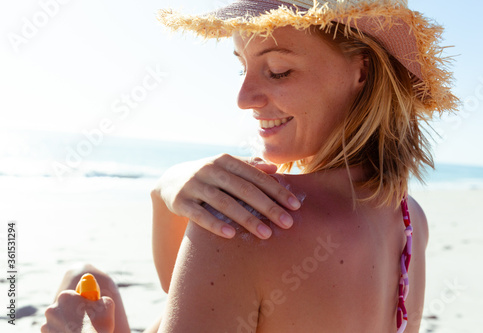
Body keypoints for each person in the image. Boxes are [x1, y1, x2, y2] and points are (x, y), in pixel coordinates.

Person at [42, 0, 458, 332]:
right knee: (87, 275)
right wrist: (163, 191)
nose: (243, 98)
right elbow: (200, 295)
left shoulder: (252, 217)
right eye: (242, 66)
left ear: (361, 72)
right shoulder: (408, 219)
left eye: (277, 70)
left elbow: (202, 288)